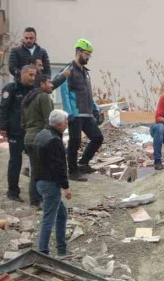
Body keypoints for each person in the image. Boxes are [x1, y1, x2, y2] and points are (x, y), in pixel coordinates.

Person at [58, 39, 102, 182]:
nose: (88, 57)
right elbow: (64, 92)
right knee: (75, 142)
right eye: (86, 53)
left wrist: (96, 108)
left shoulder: (85, 72)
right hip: (75, 113)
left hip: (87, 113)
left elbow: (87, 92)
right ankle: (73, 171)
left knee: (97, 138)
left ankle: (83, 163)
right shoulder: (68, 70)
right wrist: (69, 113)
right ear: (78, 52)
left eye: (89, 54)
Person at [33, 110, 72, 256]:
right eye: (66, 121)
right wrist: (66, 187)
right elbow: (59, 166)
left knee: (61, 214)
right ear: (60, 124)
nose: (67, 124)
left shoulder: (41, 134)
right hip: (49, 184)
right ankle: (43, 252)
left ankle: (62, 249)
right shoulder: (54, 140)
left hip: (40, 182)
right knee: (48, 218)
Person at [0, 65, 37, 202]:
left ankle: (36, 193)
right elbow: (4, 108)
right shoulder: (11, 88)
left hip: (31, 131)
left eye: (34, 75)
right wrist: (2, 127)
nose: (33, 78)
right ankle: (13, 191)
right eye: (30, 75)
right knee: (15, 161)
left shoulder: (34, 90)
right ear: (22, 73)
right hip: (15, 131)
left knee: (35, 161)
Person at [22, 75, 55, 208]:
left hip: (28, 138)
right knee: (38, 171)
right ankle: (36, 200)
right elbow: (50, 120)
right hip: (39, 138)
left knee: (36, 169)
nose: (52, 85)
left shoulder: (28, 98)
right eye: (49, 82)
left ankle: (37, 199)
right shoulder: (43, 97)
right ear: (41, 84)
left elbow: (23, 121)